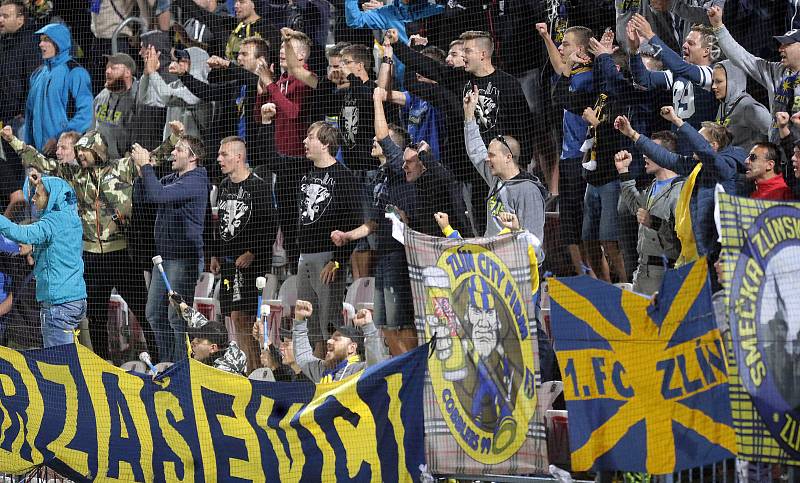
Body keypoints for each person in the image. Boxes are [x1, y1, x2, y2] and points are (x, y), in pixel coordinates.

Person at [1, 124, 182, 360]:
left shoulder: (122, 167)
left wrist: (174, 137)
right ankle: (102, 363)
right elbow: (41, 162)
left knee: (142, 309)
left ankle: (160, 360)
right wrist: (13, 140)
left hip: (121, 254)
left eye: (82, 151)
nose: (78, 156)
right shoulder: (74, 175)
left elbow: (154, 158)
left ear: (96, 149)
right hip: (92, 257)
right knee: (96, 316)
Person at [330, 86, 417, 356]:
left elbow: (382, 135)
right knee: (386, 325)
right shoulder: (376, 178)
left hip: (401, 256)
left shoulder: (397, 170)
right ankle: (400, 368)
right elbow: (373, 224)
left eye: (384, 141)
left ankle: (411, 368)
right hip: (383, 254)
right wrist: (348, 236)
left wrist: (378, 99)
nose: (375, 141)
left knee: (401, 323)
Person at [615, 107, 744, 257]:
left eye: (697, 141)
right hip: (702, 247)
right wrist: (632, 134)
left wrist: (677, 121)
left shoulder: (726, 166)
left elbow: (707, 153)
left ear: (713, 146)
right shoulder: (698, 166)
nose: (693, 146)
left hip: (723, 245)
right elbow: (665, 157)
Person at [134, 135, 209, 363]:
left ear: (193, 157)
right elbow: (144, 196)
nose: (172, 153)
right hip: (164, 258)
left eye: (178, 149)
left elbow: (158, 194)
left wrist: (147, 165)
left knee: (177, 318)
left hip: (184, 259)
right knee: (153, 313)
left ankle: (181, 368)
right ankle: (167, 363)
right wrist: (141, 172)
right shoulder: (173, 178)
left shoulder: (196, 180)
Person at [211, 136, 276, 372]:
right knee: (233, 318)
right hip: (228, 264)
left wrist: (252, 252)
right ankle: (250, 368)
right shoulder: (224, 186)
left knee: (244, 318)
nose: (219, 159)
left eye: (224, 154)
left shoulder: (258, 187)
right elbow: (220, 225)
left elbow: (270, 225)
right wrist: (215, 255)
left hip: (251, 267)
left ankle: (255, 371)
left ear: (239, 157)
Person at [295, 122, 363, 349]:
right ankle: (316, 376)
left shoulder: (345, 177)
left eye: (310, 137)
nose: (305, 141)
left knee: (329, 324)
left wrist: (337, 261)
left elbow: (353, 222)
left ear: (325, 144)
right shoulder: (305, 174)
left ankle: (334, 375)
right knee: (310, 324)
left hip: (327, 260)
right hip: (304, 256)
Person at [0, 173, 86, 347]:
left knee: (59, 362)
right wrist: (36, 185)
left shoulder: (52, 222)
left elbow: (21, 233)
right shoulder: (70, 216)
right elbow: (57, 190)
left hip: (58, 305)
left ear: (51, 197)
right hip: (74, 300)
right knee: (66, 358)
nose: (32, 199)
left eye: (37, 195)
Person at [537, 23, 596, 274]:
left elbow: (562, 74)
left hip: (583, 159)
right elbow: (559, 65)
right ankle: (582, 274)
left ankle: (597, 277)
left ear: (581, 49)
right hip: (567, 158)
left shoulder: (590, 77)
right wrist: (546, 37)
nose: (561, 48)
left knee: (585, 227)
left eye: (566, 44)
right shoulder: (571, 73)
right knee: (568, 226)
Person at [462, 85, 546, 242]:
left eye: (492, 155)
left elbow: (535, 240)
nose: (487, 159)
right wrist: (469, 116)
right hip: (493, 260)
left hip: (515, 263)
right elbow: (476, 151)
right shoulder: (497, 180)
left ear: (508, 157)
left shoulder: (528, 190)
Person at [709, 5, 800, 142]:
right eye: (780, 44)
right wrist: (718, 27)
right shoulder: (776, 71)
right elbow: (742, 57)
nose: (780, 48)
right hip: (778, 150)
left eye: (786, 44)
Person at [615, 138, 684, 295]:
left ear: (665, 155)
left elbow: (683, 237)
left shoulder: (680, 191)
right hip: (642, 272)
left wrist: (655, 223)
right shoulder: (652, 186)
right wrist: (623, 171)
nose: (645, 155)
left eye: (651, 150)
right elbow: (635, 207)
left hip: (665, 274)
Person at [24, 22, 93, 154]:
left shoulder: (75, 72)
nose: (41, 44)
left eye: (46, 40)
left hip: (66, 153)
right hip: (39, 154)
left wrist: (59, 139)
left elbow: (86, 114)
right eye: (41, 40)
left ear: (59, 43)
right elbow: (30, 113)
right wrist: (27, 148)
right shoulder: (38, 74)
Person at [292, 299, 383, 383]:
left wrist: (369, 329)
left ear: (351, 347)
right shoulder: (323, 371)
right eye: (330, 338)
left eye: (336, 339)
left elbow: (376, 368)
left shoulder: (359, 372)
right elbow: (303, 356)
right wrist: (300, 320)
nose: (329, 341)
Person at [139, 46, 212, 142]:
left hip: (193, 152)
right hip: (171, 150)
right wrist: (146, 74)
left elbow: (168, 97)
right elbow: (146, 98)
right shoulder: (176, 85)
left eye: (184, 60)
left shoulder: (203, 89)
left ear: (198, 64)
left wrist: (153, 71)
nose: (179, 63)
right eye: (179, 60)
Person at [710, 61, 771, 153]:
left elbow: (776, 136)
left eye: (719, 81)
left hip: (747, 165)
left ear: (733, 82)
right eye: (713, 81)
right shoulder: (723, 106)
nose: (713, 86)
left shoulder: (751, 108)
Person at [93, 53, 144, 160]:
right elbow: (92, 129)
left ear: (127, 73)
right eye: (107, 67)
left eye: (113, 68)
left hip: (127, 164)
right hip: (100, 162)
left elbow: (143, 135)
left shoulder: (140, 98)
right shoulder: (102, 95)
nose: (107, 71)